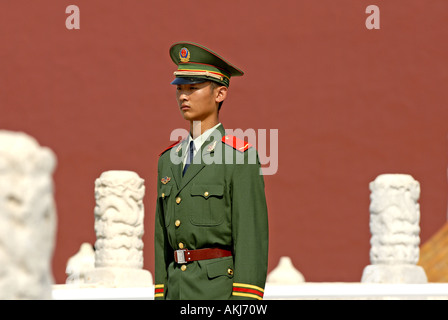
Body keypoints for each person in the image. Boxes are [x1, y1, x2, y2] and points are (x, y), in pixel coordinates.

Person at [154, 41, 269, 300]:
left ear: (220, 94)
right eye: (180, 88)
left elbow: (250, 237)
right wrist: (160, 294)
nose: (183, 96)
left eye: (193, 88)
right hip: (176, 291)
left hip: (217, 293)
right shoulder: (168, 160)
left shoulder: (239, 158)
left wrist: (244, 303)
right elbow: (161, 240)